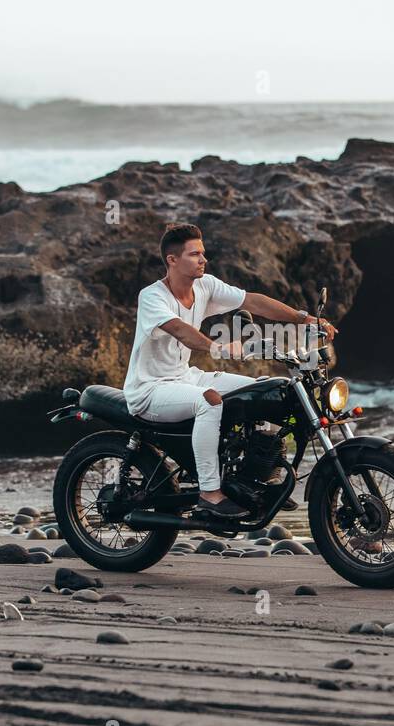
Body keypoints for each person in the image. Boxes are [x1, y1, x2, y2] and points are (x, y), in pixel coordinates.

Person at [123, 222, 336, 520]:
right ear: (172, 260)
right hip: (149, 389)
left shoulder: (205, 285)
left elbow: (253, 301)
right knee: (210, 400)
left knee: (266, 391)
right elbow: (179, 329)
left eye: (203, 253)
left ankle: (262, 476)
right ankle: (210, 494)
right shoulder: (152, 296)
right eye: (194, 254)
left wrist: (305, 319)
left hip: (185, 377)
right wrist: (217, 348)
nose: (203, 259)